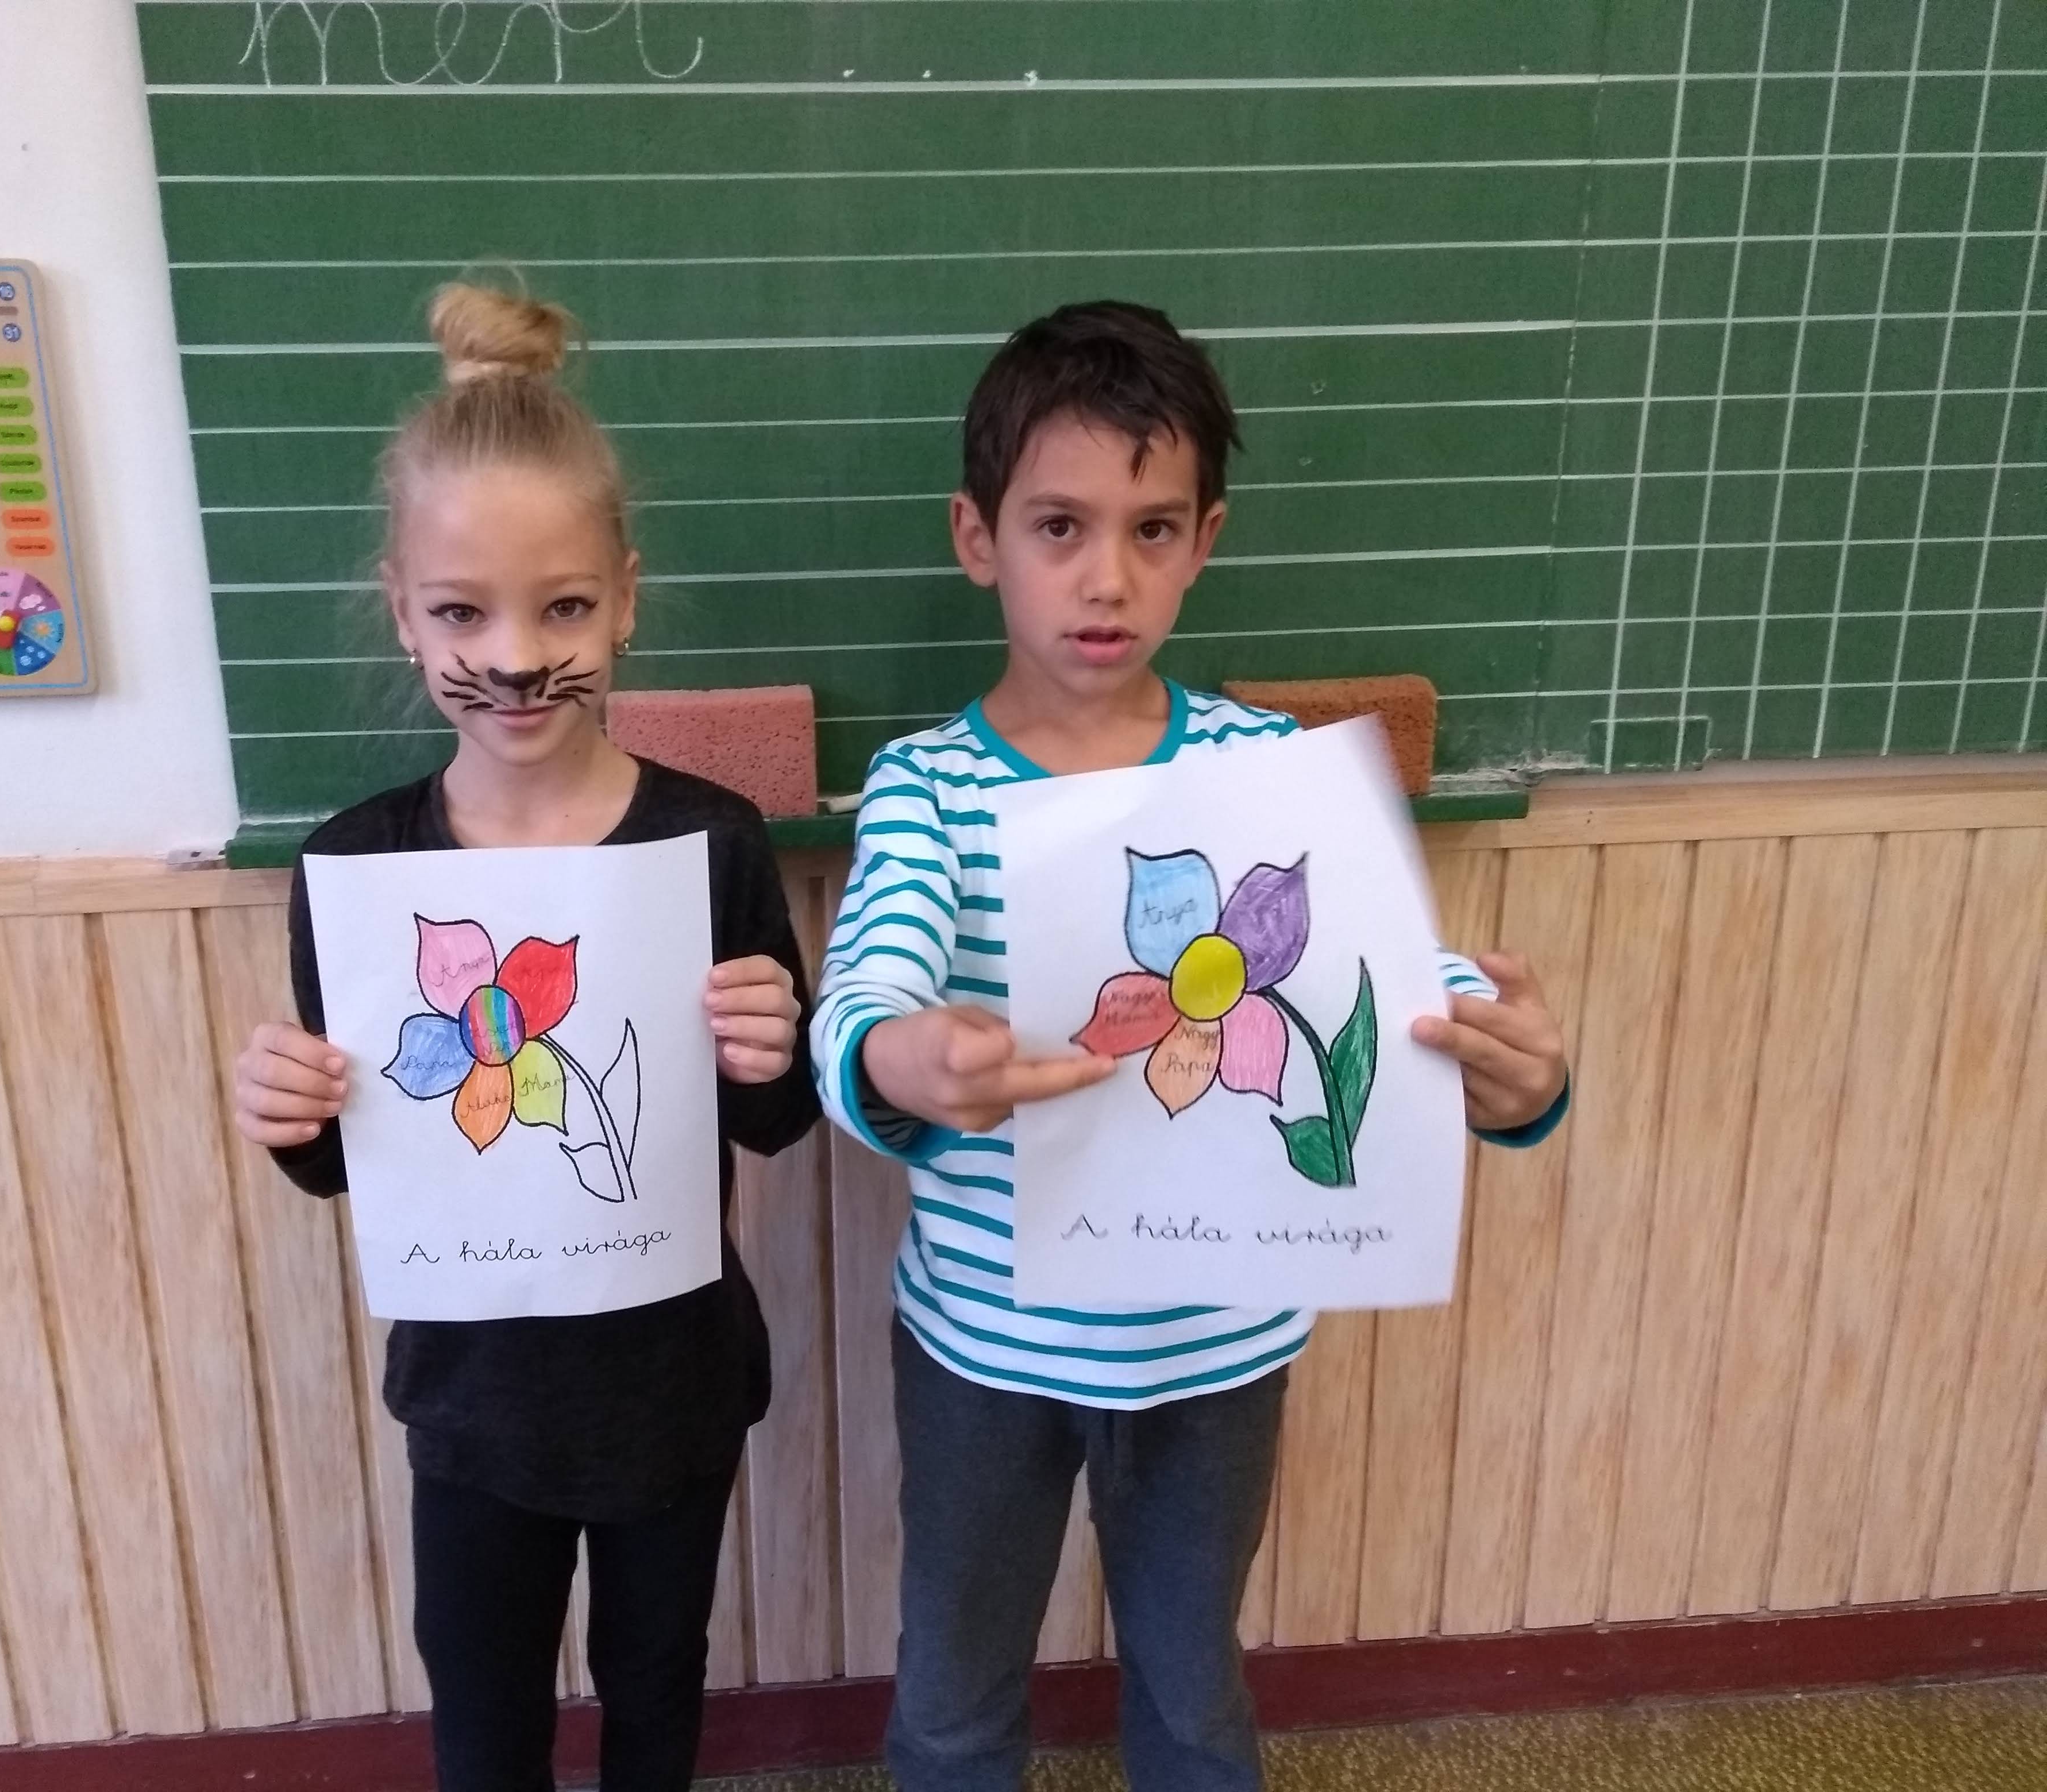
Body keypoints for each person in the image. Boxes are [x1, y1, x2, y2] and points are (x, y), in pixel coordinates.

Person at [812, 301, 1571, 1792]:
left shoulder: (1261, 771)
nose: (1108, 577)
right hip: (985, 1343)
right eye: (1060, 526)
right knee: (955, 1694)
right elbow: (867, 991)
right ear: (979, 538)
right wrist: (903, 1058)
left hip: (1218, 1347)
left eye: (1153, 530)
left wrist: (1513, 1071)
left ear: (1204, 540)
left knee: (1192, 1690)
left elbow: (1379, 973)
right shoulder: (927, 788)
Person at [230, 284, 820, 1792]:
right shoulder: (360, 868)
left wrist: (775, 1047)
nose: (512, 659)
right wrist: (294, 1111)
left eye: (561, 609)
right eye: (461, 613)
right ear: (401, 607)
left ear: (625, 599)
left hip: (670, 1385)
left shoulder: (710, 841)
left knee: (654, 1690)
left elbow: (772, 1122)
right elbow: (352, 1166)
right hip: (473, 1400)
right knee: (484, 1713)